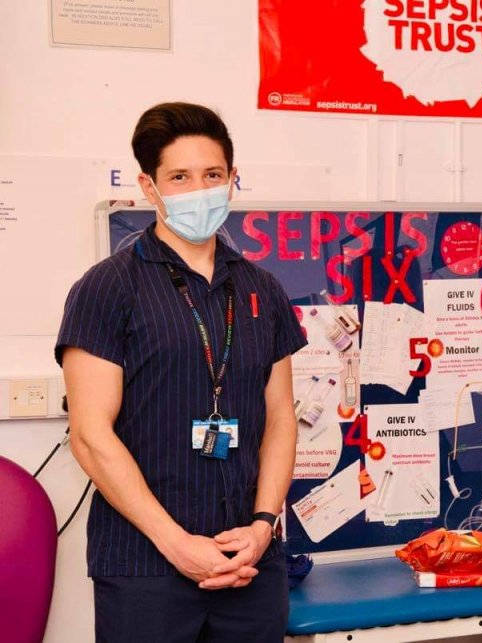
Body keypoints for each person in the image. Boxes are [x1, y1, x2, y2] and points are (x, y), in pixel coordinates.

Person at [56, 102, 306, 642]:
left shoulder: (263, 289)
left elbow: (281, 419)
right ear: (150, 187)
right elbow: (90, 435)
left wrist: (263, 526)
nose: (199, 189)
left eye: (212, 175)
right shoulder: (108, 287)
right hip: (145, 567)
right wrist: (176, 544)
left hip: (249, 564)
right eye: (180, 177)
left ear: (233, 179)